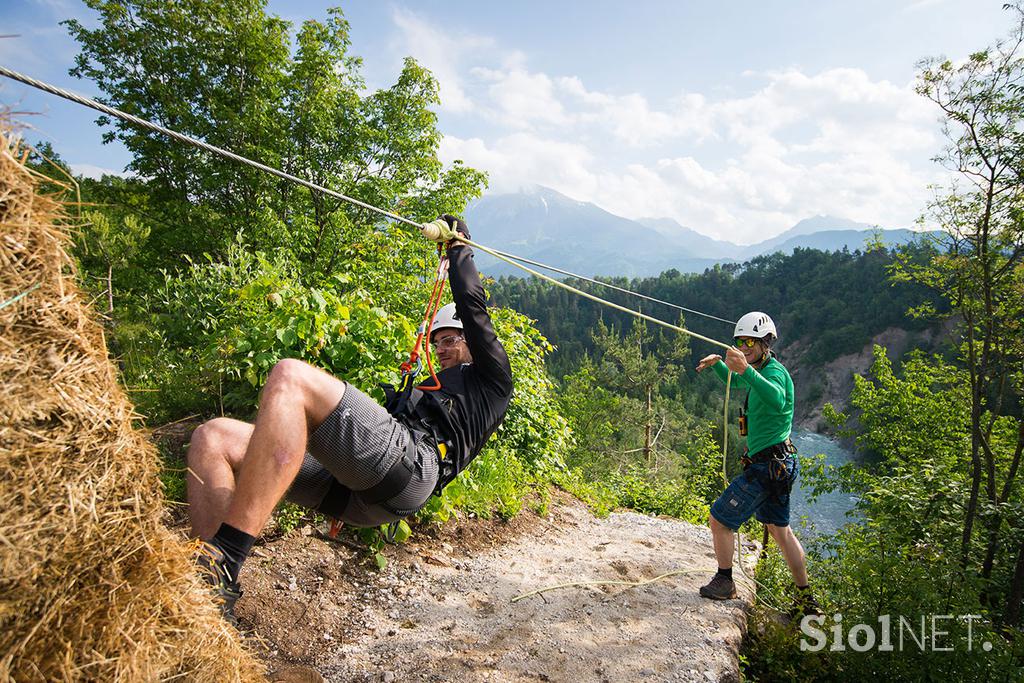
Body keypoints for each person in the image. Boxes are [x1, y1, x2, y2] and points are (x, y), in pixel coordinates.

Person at [186, 215, 513, 624]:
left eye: (449, 339)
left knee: (290, 376)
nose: (441, 349)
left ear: (469, 340)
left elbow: (474, 309)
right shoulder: (432, 385)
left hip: (415, 468)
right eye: (437, 342)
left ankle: (226, 554)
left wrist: (459, 247)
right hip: (361, 492)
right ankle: (211, 597)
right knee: (212, 437)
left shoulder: (492, 380)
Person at [695, 311, 817, 615]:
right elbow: (739, 381)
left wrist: (745, 371)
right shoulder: (759, 369)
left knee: (720, 520)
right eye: (740, 341)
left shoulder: (775, 374)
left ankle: (725, 581)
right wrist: (719, 367)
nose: (744, 346)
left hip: (767, 468)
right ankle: (806, 600)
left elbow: (775, 397)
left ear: (765, 342)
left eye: (750, 341)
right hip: (778, 465)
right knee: (780, 532)